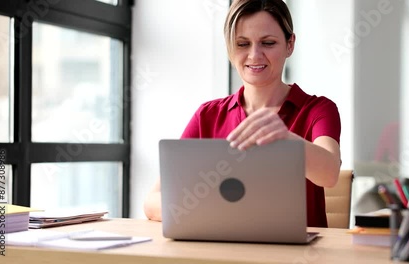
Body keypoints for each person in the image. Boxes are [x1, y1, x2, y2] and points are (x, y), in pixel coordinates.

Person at [144, 0, 341, 227]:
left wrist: (285, 139)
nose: (254, 55)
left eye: (268, 43)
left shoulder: (318, 109)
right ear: (230, 49)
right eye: (242, 44)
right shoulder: (208, 116)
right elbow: (153, 200)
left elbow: (329, 174)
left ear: (290, 44)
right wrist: (212, 212)